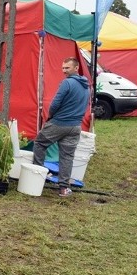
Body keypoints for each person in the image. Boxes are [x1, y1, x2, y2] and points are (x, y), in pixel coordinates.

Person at [32, 57, 90, 197]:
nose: (64, 71)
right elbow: (85, 105)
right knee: (67, 157)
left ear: (76, 68)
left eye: (67, 68)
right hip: (75, 126)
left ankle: (37, 178)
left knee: (39, 143)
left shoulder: (67, 83)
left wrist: (50, 116)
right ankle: (64, 188)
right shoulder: (86, 86)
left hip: (59, 123)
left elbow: (55, 104)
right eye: (63, 68)